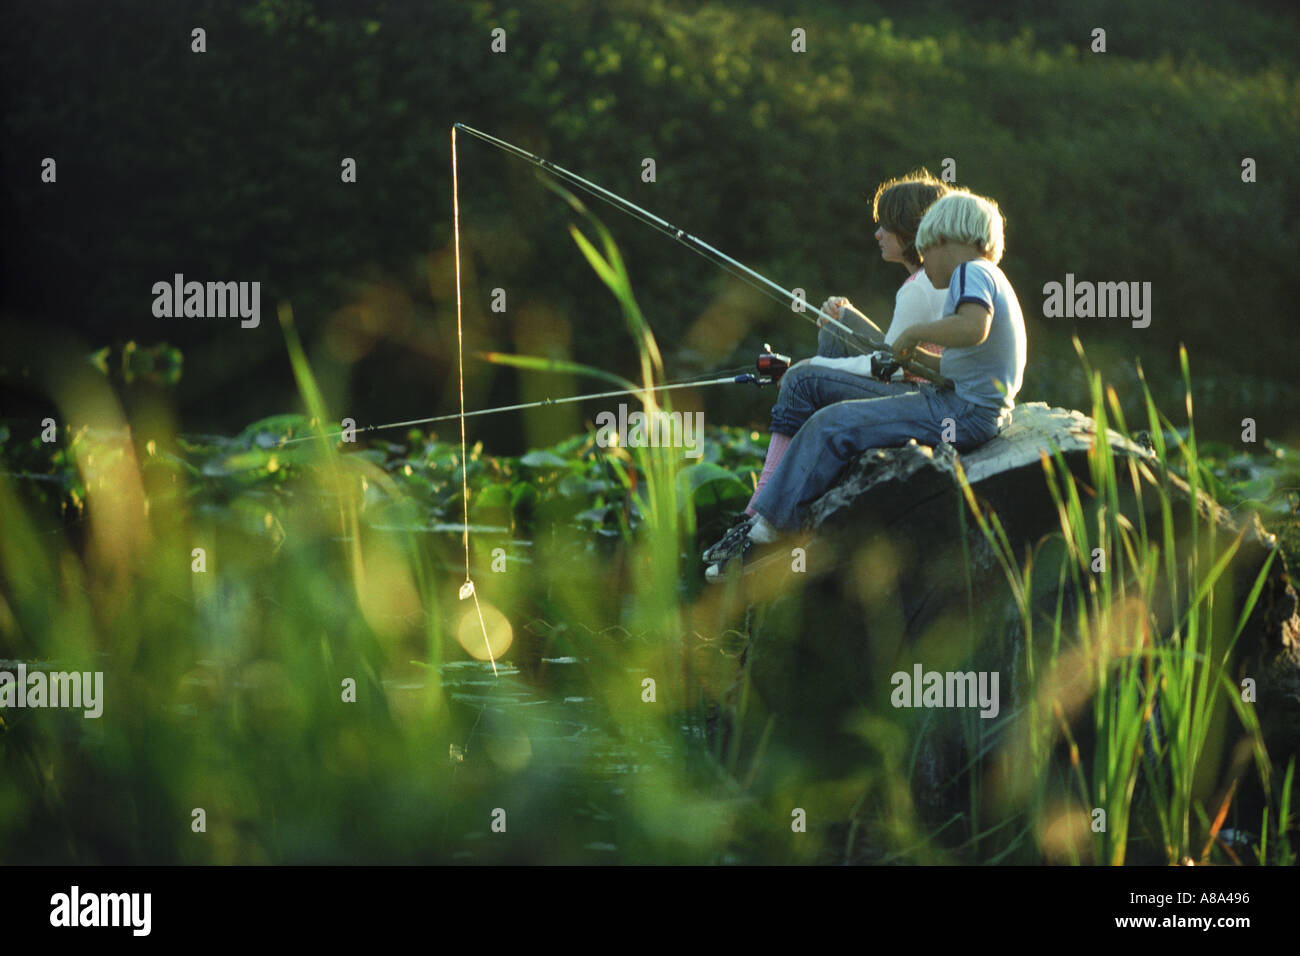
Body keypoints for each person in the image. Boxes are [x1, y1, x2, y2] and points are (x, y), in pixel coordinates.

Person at [704, 188, 1025, 580]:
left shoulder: (969, 272)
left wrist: (915, 334)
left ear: (943, 240)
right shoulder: (990, 275)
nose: (928, 265)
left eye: (928, 252)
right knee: (832, 419)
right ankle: (770, 522)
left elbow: (975, 329)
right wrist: (921, 357)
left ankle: (765, 537)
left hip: (963, 412)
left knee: (830, 425)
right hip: (966, 403)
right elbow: (968, 362)